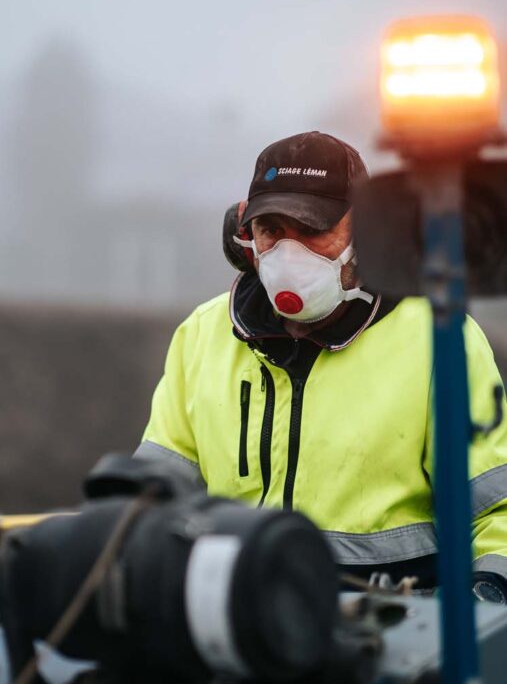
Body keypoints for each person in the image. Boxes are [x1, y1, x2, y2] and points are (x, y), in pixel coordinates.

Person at [136, 130, 507, 601]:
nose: (290, 254)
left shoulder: (439, 338)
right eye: (272, 231)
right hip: (233, 626)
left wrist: (487, 596)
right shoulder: (203, 334)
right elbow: (150, 498)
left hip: (390, 634)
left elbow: (499, 511)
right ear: (245, 237)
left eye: (313, 231)